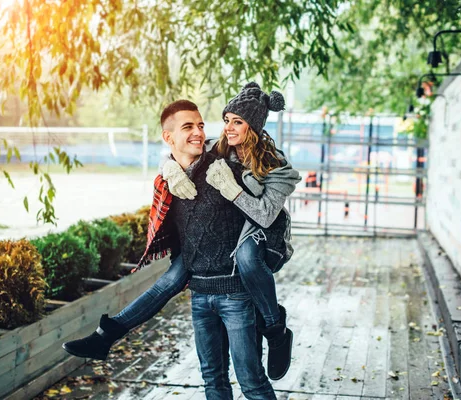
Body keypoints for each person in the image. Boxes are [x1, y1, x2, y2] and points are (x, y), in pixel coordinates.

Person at [63, 84, 300, 381]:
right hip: (220, 253)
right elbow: (182, 152)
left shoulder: (276, 166)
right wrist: (169, 170)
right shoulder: (219, 148)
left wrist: (230, 189)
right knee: (170, 280)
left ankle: (275, 329)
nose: (227, 127)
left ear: (253, 126)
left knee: (248, 258)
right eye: (226, 119)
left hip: (263, 234)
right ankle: (106, 335)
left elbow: (265, 215)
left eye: (237, 121)